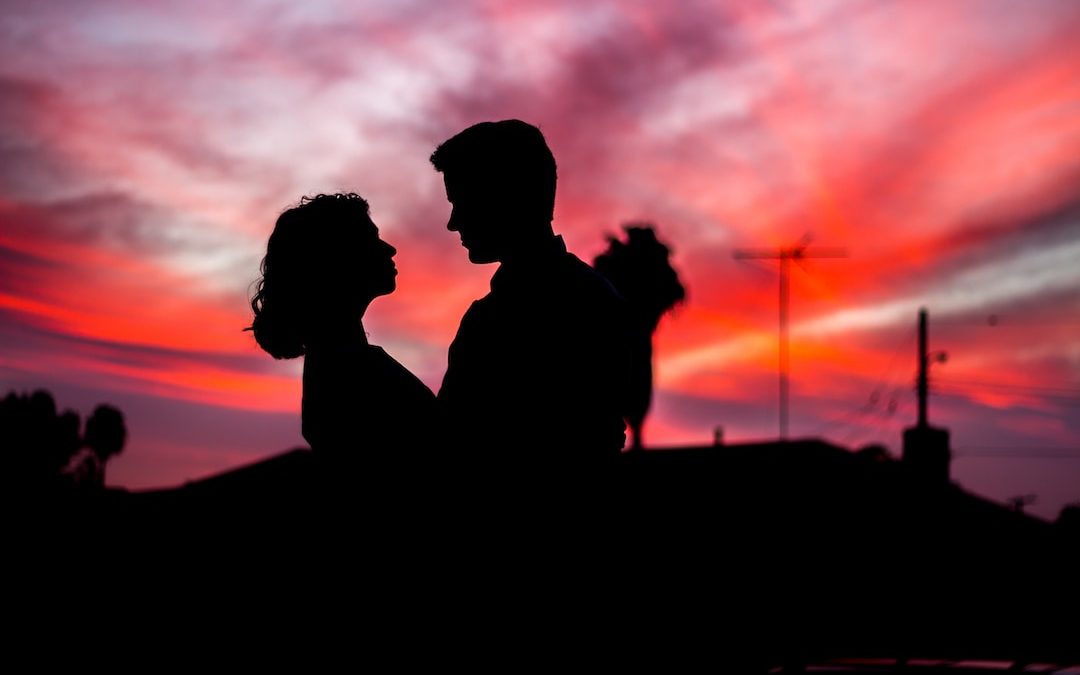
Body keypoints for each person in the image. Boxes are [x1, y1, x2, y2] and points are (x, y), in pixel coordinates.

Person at [430, 120, 632, 472]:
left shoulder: (501, 317)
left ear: (507, 197)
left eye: (461, 201)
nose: (453, 222)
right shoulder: (594, 296)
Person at [248, 193, 436, 483]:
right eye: (371, 240)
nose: (390, 248)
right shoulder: (350, 370)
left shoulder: (339, 363)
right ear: (338, 258)